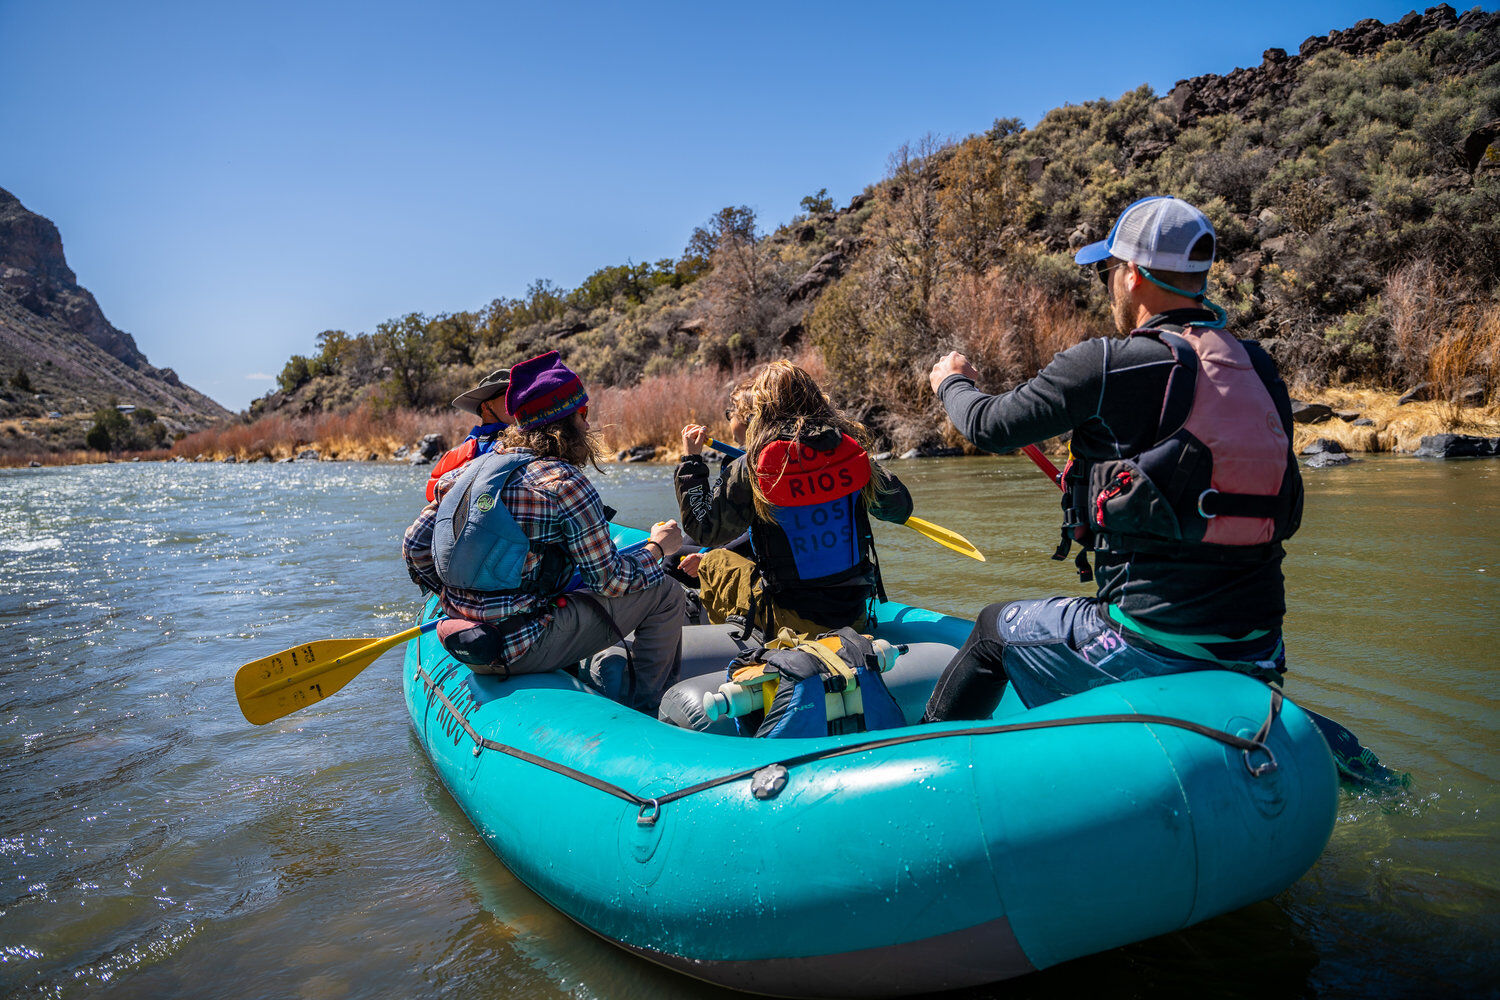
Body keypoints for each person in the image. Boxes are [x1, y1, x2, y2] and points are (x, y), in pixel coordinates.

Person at [922, 196, 1303, 721]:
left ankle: (934, 762)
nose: (1107, 285)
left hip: (1147, 642)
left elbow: (989, 426)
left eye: (1107, 270)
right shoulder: (1259, 369)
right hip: (1259, 647)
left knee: (991, 629)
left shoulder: (1108, 363)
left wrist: (951, 382)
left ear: (1132, 275)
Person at [404, 350, 686, 713]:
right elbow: (610, 582)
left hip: (464, 640)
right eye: (584, 415)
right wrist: (657, 549)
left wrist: (458, 599)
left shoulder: (465, 474)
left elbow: (414, 548)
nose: (588, 426)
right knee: (665, 591)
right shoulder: (564, 483)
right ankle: (649, 710)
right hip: (522, 646)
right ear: (574, 419)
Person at [674, 360, 913, 637]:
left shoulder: (753, 465)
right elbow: (900, 509)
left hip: (791, 617)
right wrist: (863, 466)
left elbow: (704, 530)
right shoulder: (850, 454)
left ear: (762, 410)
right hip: (854, 615)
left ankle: (740, 644)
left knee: (714, 560)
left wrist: (691, 461)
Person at [424, 368, 512, 502]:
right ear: (487, 407)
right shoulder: (521, 443)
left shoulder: (462, 451)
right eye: (509, 396)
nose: (517, 400)